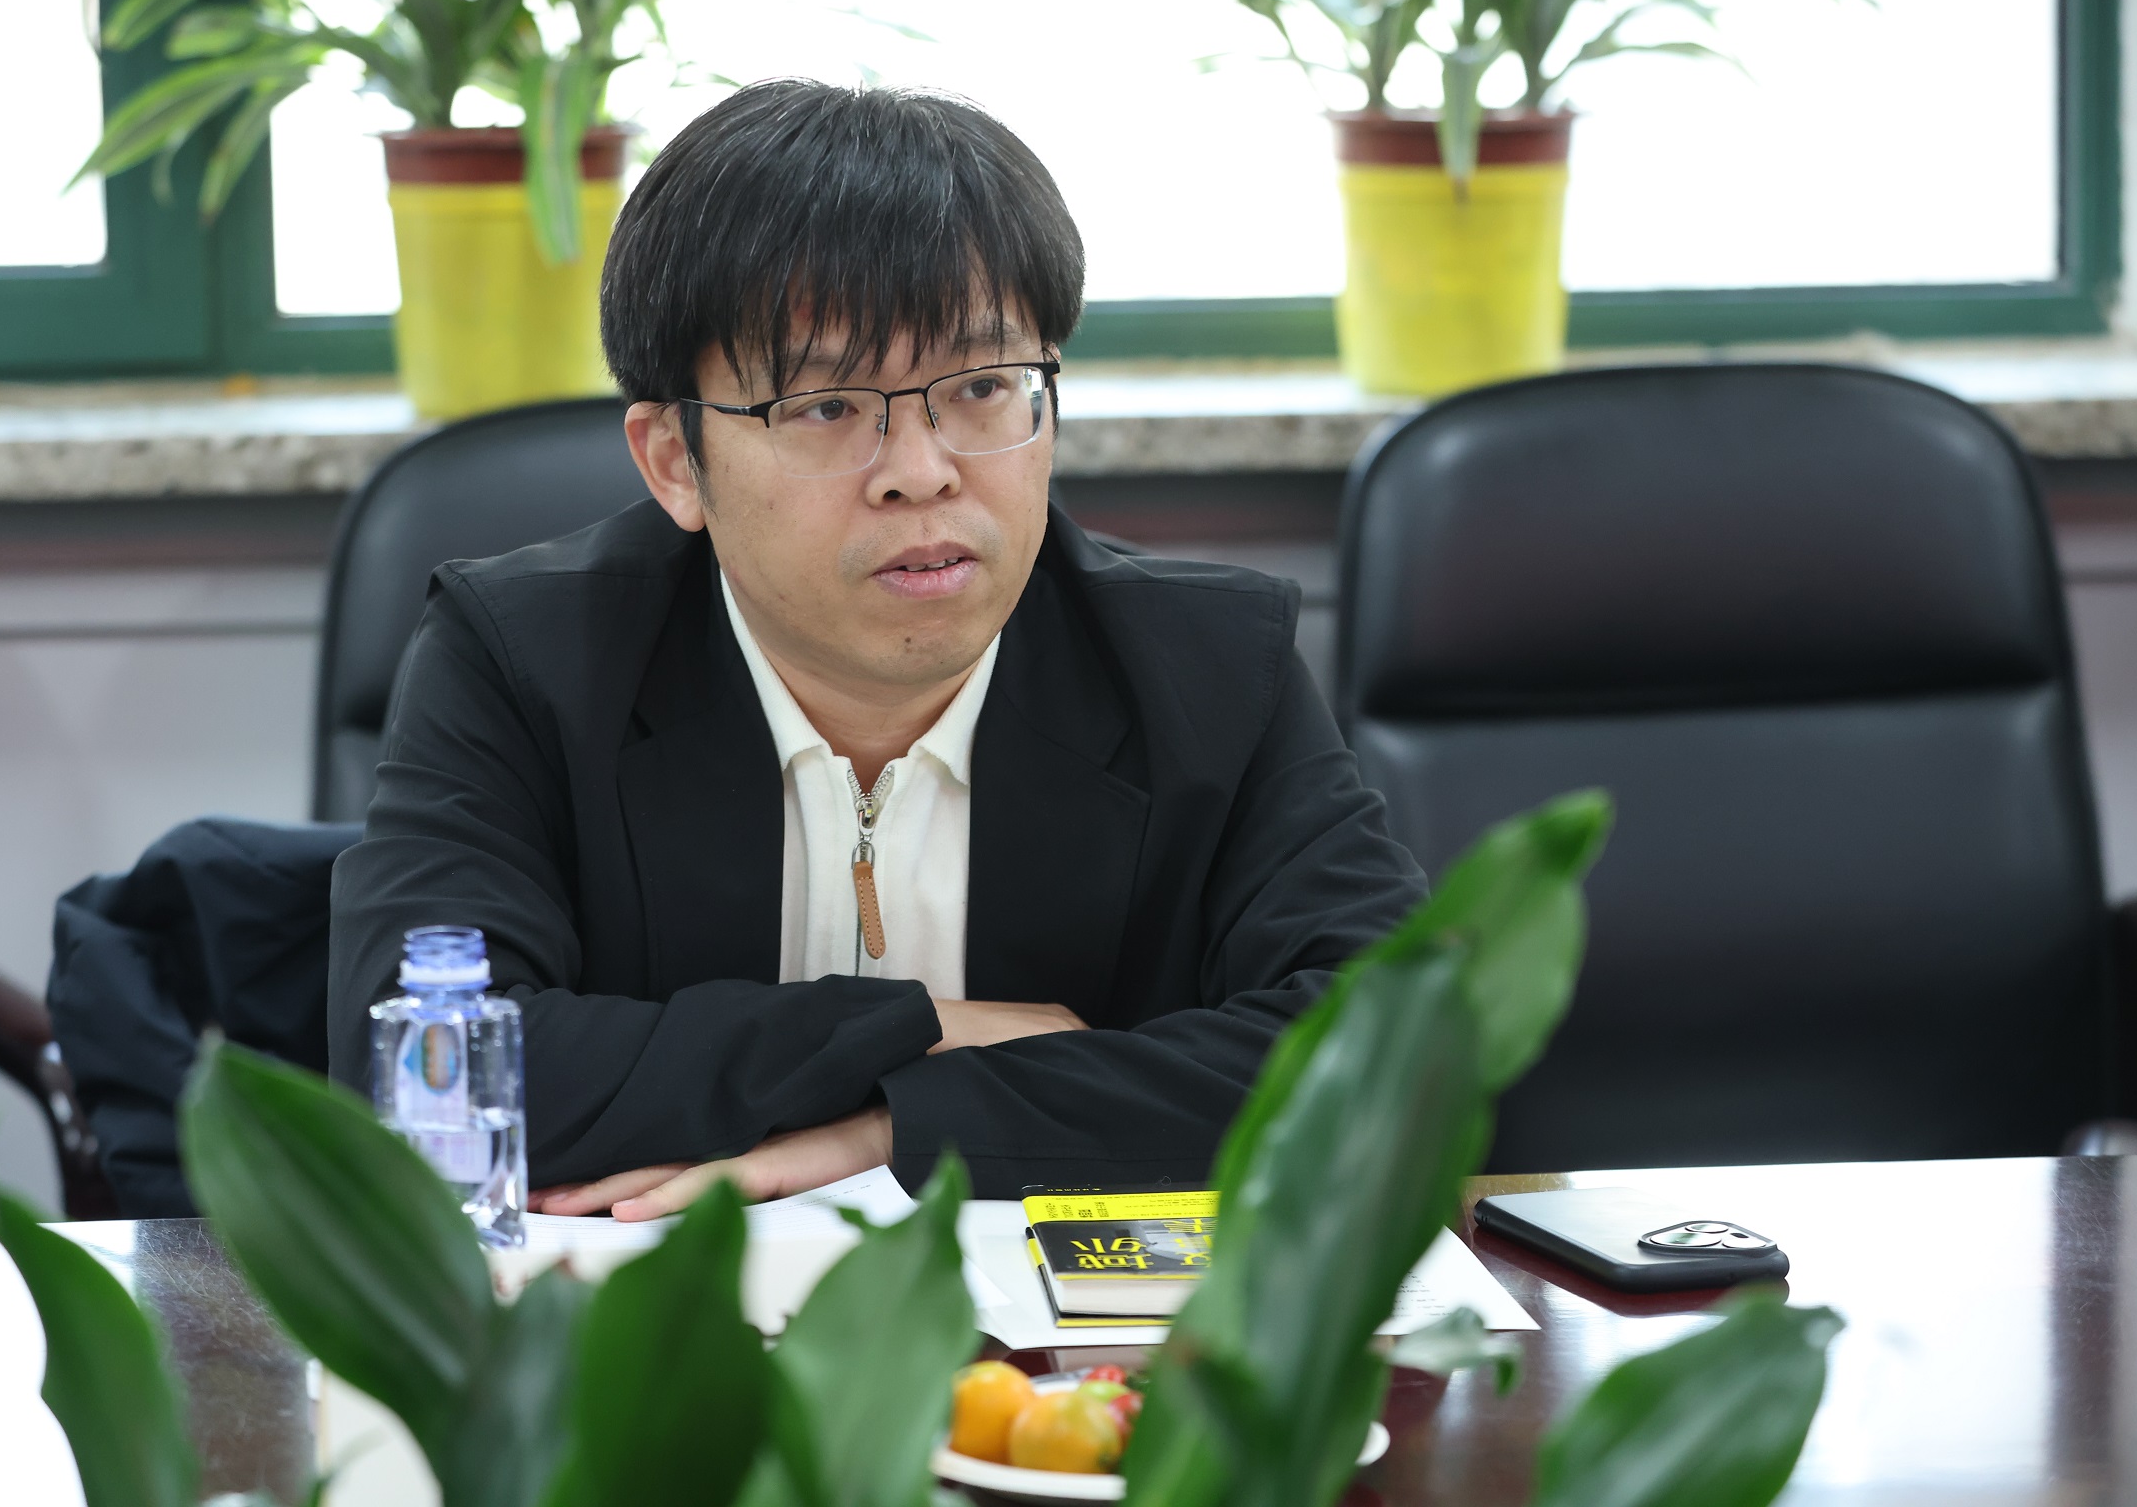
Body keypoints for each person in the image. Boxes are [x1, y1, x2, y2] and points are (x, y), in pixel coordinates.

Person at [328, 79, 1424, 1218]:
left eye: (984, 386)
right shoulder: (527, 661)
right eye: (827, 406)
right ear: (674, 462)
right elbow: (421, 1074)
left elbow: (1399, 1053)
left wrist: (904, 1127)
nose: (923, 470)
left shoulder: (1210, 668)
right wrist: (921, 1025)